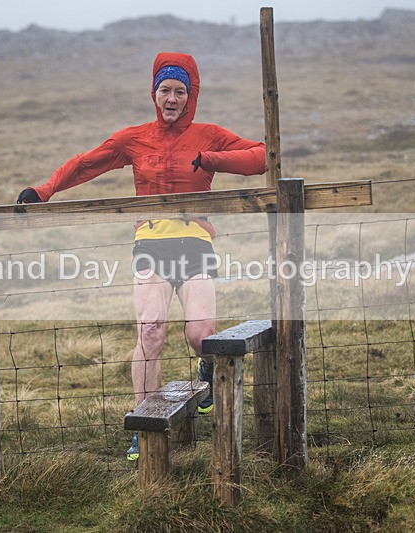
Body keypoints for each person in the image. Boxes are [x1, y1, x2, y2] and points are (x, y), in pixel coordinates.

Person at [17, 52, 265, 460]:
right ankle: (145, 425)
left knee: (202, 337)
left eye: (180, 91)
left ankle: (206, 370)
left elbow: (258, 157)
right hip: (150, 242)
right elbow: (85, 164)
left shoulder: (208, 134)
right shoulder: (134, 138)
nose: (172, 98)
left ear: (191, 96)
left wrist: (212, 160)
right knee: (151, 332)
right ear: (154, 93)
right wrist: (44, 190)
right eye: (165, 90)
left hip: (195, 243)